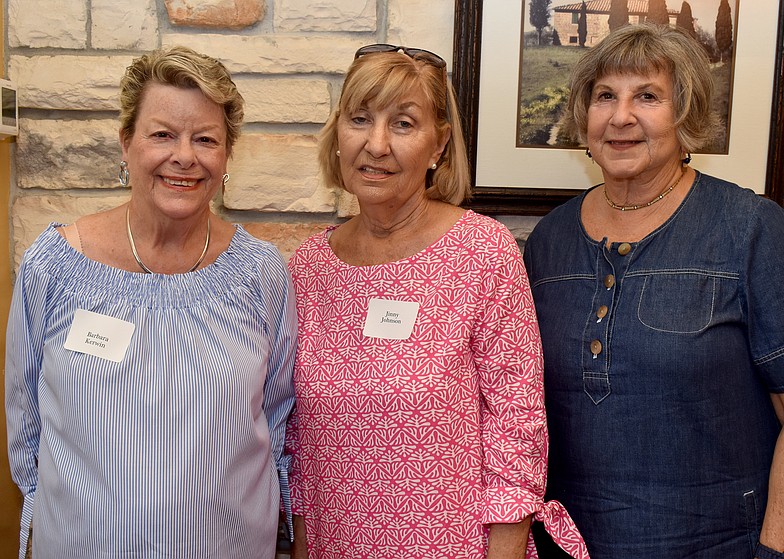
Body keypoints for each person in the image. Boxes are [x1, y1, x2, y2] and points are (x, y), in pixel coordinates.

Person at [523, 24, 784, 559]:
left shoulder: (751, 229)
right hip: (566, 544)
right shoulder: (550, 240)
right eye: (605, 96)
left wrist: (776, 553)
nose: (621, 116)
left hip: (719, 546)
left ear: (685, 114)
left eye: (647, 96)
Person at [285, 44, 588, 559]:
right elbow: (300, 447)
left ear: (439, 145)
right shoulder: (307, 269)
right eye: (360, 119)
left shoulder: (483, 252)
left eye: (403, 124)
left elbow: (516, 430)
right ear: (338, 135)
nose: (376, 145)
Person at [5, 46, 297, 558]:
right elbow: (25, 428)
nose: (184, 156)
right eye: (163, 134)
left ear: (227, 156)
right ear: (126, 143)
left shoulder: (260, 273)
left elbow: (275, 426)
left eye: (205, 139)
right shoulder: (52, 267)